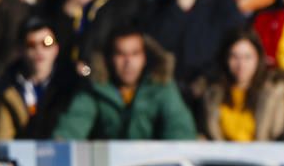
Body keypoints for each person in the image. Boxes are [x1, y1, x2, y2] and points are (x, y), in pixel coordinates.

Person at [52, 27, 196, 140]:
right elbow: (72, 127)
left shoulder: (162, 86)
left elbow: (180, 131)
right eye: (121, 54)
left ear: (145, 57)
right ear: (109, 58)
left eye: (135, 54)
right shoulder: (95, 89)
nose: (128, 62)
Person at [149, 0, 248, 93]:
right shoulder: (162, 5)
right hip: (169, 88)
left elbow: (236, 46)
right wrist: (179, 10)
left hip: (210, 88)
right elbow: (156, 48)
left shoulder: (224, 4)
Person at [201, 29, 284, 142]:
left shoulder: (275, 91)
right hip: (223, 157)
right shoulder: (212, 93)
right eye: (234, 57)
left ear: (258, 58)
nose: (241, 64)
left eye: (247, 57)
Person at [0, 19, 77, 140]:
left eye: (47, 43)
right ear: (21, 50)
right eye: (31, 44)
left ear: (56, 48)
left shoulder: (72, 87)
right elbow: (3, 137)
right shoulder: (5, 87)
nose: (39, 50)